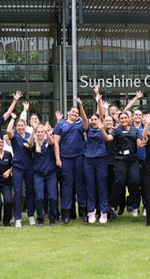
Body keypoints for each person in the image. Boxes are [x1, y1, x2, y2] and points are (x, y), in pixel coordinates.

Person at [53, 100, 86, 224]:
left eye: (76, 112)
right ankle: (66, 212)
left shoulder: (81, 123)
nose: (75, 114)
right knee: (67, 185)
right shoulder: (60, 125)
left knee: (80, 184)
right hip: (66, 158)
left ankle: (83, 211)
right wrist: (57, 158)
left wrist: (80, 106)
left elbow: (86, 121)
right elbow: (56, 142)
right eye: (73, 112)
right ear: (68, 113)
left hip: (79, 157)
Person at [79, 94, 111, 224]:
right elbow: (84, 118)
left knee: (102, 186)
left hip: (101, 159)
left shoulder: (102, 127)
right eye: (92, 119)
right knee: (90, 186)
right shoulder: (87, 129)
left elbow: (102, 115)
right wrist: (80, 105)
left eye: (95, 119)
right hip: (88, 160)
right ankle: (91, 211)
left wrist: (99, 102)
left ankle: (103, 212)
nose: (93, 121)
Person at [110, 111, 140, 219]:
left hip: (133, 160)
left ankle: (130, 201)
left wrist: (143, 140)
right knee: (120, 181)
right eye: (121, 118)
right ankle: (112, 204)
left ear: (129, 119)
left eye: (125, 118)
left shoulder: (135, 130)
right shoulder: (116, 131)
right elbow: (109, 138)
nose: (123, 120)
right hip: (120, 159)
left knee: (135, 181)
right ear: (118, 120)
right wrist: (101, 129)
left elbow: (139, 143)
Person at [30, 124, 57, 226]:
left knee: (53, 197)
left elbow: (52, 142)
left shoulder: (47, 143)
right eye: (39, 132)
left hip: (50, 174)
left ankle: (52, 219)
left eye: (42, 132)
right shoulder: (34, 144)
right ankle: (40, 219)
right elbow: (29, 143)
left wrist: (46, 131)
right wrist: (33, 131)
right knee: (39, 197)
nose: (40, 133)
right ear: (36, 134)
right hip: (38, 174)